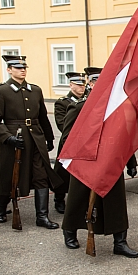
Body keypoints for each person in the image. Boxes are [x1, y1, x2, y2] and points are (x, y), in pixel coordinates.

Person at [61, 67, 138, 258]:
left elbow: (125, 138)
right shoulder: (80, 107)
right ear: (90, 84)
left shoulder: (118, 108)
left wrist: (130, 162)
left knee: (116, 202)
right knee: (77, 200)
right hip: (85, 163)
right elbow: (68, 138)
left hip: (111, 162)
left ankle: (120, 242)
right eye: (97, 82)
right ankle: (70, 231)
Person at [0, 55, 62, 227]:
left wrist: (49, 137)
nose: (22, 70)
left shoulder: (35, 90)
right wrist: (7, 137)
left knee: (41, 175)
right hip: (13, 138)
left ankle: (42, 217)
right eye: (17, 68)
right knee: (8, 175)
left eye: (24, 67)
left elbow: (43, 116)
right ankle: (0, 208)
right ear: (9, 70)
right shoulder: (1, 91)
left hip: (36, 138)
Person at [52, 72, 87, 214]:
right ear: (71, 85)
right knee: (63, 173)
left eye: (83, 84)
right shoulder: (63, 102)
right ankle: (59, 198)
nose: (81, 87)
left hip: (85, 143)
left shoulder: (89, 100)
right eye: (78, 85)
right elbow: (62, 124)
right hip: (69, 142)